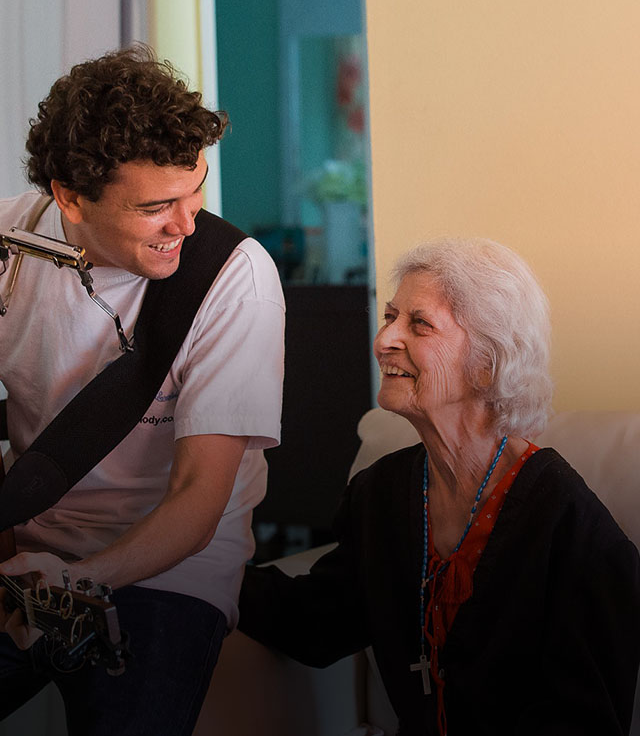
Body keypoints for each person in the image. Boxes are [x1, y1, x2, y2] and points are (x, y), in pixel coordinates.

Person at [239, 237, 640, 735]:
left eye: (419, 324)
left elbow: (585, 721)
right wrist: (200, 566)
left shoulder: (575, 531)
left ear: (488, 364)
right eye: (390, 316)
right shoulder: (380, 495)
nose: (384, 339)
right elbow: (318, 622)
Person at [0, 46, 285, 735]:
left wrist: (79, 580)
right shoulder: (10, 247)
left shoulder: (234, 277)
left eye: (196, 191)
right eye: (157, 207)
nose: (186, 225)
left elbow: (197, 503)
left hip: (172, 565)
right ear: (69, 196)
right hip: (30, 544)